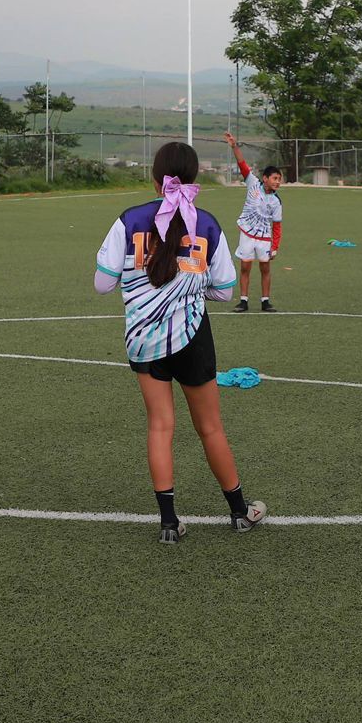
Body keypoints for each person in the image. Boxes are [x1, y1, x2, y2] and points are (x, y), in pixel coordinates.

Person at [95, 142, 266, 544]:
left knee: (160, 426)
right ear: (194, 178)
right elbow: (225, 290)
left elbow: (103, 283)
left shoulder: (128, 220)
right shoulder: (206, 224)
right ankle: (240, 512)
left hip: (143, 338)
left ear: (155, 180)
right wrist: (188, 286)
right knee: (210, 427)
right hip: (192, 336)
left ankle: (169, 523)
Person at [222, 132, 283, 312]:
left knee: (265, 268)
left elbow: (277, 226)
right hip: (247, 233)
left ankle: (265, 301)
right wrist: (234, 146)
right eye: (275, 178)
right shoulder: (253, 183)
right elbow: (242, 163)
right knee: (245, 267)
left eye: (279, 179)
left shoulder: (276, 202)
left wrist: (275, 246)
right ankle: (243, 301)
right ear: (265, 178)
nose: (278, 182)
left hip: (264, 238)